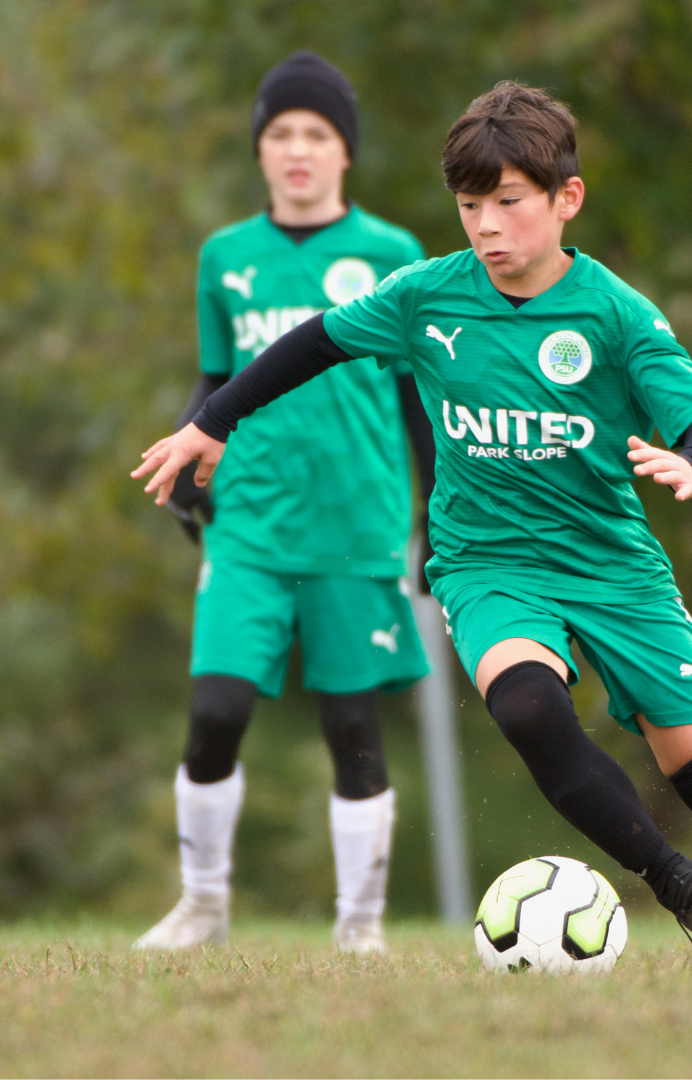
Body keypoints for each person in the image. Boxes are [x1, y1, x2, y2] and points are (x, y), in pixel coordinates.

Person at [134, 81, 692, 970]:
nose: (486, 226)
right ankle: (676, 882)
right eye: (471, 206)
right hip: (487, 564)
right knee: (530, 707)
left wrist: (691, 463)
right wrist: (212, 422)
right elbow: (312, 342)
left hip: (616, 568)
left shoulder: (615, 314)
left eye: (509, 202)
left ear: (565, 199)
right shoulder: (427, 297)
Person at [133, 52, 434, 955]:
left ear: (345, 153)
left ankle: (360, 929)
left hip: (360, 527)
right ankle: (204, 904)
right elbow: (216, 380)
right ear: (260, 152)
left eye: (316, 134)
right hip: (250, 527)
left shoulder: (392, 256)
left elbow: (418, 399)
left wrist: (439, 512)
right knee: (217, 712)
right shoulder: (224, 258)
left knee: (353, 728)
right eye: (280, 135)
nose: (297, 151)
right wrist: (187, 466)